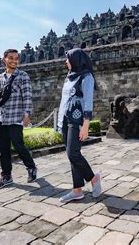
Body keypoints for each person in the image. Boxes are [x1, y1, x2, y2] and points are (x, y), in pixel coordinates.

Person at [0, 49, 37, 190]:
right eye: (11, 58)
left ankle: (31, 167)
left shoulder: (23, 76)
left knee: (18, 145)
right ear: (4, 59)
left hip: (15, 117)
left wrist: (26, 114)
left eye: (16, 58)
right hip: (0, 119)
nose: (14, 60)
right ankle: (6, 176)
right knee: (3, 149)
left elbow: (27, 96)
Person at [57, 48, 101, 202]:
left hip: (77, 120)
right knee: (72, 157)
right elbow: (64, 100)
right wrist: (59, 122)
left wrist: (86, 124)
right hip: (65, 119)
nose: (66, 61)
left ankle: (93, 178)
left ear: (76, 60)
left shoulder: (86, 77)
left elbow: (88, 101)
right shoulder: (68, 77)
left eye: (68, 58)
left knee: (73, 153)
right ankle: (77, 190)